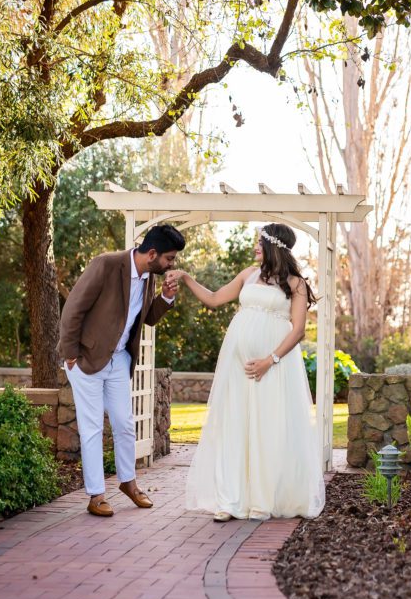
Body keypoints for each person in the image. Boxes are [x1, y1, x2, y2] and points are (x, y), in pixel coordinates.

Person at [173, 223, 325, 522]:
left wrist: (271, 360)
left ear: (274, 245)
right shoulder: (248, 274)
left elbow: (298, 331)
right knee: (234, 425)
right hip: (237, 366)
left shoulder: (296, 284)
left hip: (273, 369)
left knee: (268, 428)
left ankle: (262, 500)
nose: (255, 246)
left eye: (260, 241)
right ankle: (230, 501)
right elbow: (215, 299)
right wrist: (187, 278)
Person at [56, 225, 185, 517]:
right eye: (169, 258)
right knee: (92, 428)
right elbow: (72, 310)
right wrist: (71, 355)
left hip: (119, 361)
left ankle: (128, 483)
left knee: (125, 424)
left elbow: (145, 319)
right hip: (86, 359)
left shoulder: (150, 278)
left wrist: (164, 298)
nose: (171, 265)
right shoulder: (106, 264)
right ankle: (96, 495)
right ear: (152, 253)